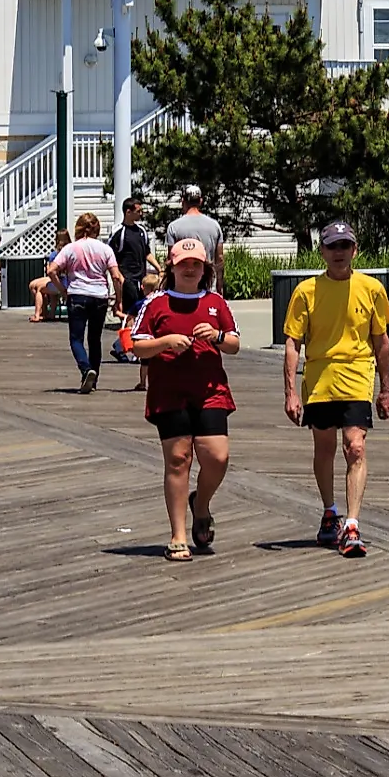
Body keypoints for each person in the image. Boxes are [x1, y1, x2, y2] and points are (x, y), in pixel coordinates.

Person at [281, 220, 389, 555]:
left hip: (358, 376)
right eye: (333, 246)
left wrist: (385, 389)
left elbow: (382, 341)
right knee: (325, 447)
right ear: (323, 251)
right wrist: (290, 391)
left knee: (354, 447)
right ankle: (330, 511)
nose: (339, 253)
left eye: (345, 246)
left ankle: (352, 523)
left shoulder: (372, 289)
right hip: (320, 379)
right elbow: (292, 342)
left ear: (354, 250)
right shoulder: (306, 291)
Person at [131, 236, 238, 561]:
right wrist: (165, 341)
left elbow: (234, 342)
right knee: (178, 460)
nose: (189, 269)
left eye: (196, 264)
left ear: (204, 268)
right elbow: (136, 345)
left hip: (210, 391)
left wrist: (217, 337)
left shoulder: (215, 302)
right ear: (172, 267)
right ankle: (178, 535)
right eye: (183, 264)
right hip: (169, 392)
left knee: (217, 456)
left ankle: (201, 503)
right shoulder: (156, 303)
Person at [45, 212, 122, 393]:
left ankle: (86, 369)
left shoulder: (71, 248)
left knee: (76, 339)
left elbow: (51, 271)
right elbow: (117, 277)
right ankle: (92, 381)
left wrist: (63, 290)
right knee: (95, 339)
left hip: (77, 294)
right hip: (99, 297)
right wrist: (118, 299)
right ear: (97, 228)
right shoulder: (105, 249)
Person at [108, 197, 156, 365]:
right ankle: (132, 349)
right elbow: (110, 256)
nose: (141, 213)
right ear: (128, 212)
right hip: (127, 279)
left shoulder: (141, 231)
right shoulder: (118, 232)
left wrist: (159, 268)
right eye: (138, 211)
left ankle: (120, 346)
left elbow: (146, 253)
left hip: (142, 278)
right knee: (132, 316)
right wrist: (119, 278)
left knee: (142, 314)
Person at [165, 186, 223, 264]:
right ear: (200, 201)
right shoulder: (215, 225)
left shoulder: (173, 227)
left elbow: (171, 259)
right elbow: (220, 259)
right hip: (208, 275)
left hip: (183, 275)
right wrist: (219, 276)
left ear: (183, 201)